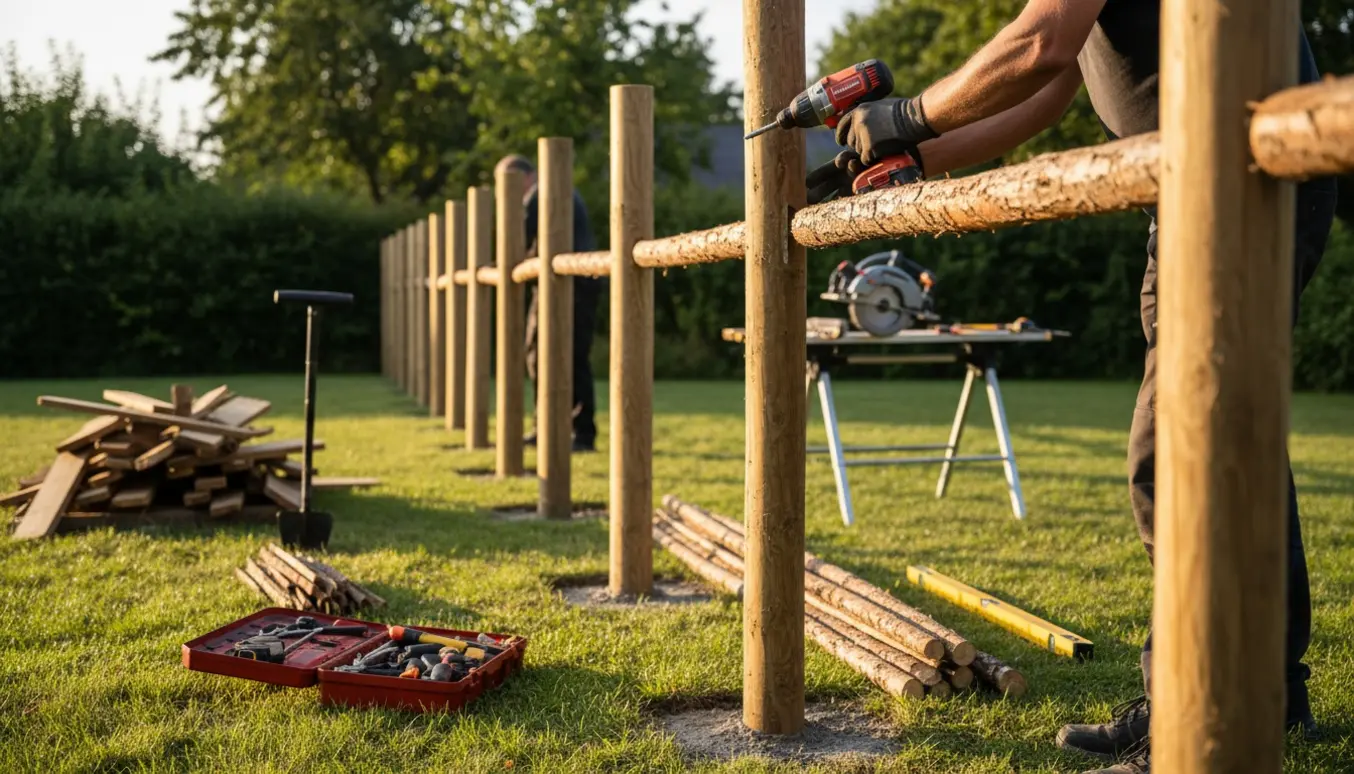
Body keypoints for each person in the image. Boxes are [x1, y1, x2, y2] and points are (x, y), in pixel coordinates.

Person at [808, 3, 1338, 773]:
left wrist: (904, 117)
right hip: (1207, 187)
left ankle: (1195, 714)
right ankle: (1269, 694)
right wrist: (912, 156)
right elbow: (1045, 95)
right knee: (1230, 443)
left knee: (1176, 456)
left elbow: (1038, 45)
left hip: (1230, 186)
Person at [495, 154, 603, 453]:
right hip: (565, 285)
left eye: (505, 184)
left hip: (570, 286)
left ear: (523, 177)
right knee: (550, 355)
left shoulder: (539, 196)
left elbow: (518, 242)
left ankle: (577, 432)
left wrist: (504, 265)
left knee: (566, 357)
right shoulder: (552, 193)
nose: (502, 194)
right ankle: (552, 427)